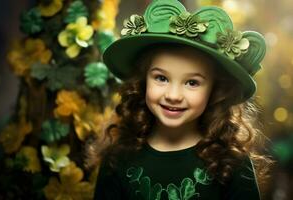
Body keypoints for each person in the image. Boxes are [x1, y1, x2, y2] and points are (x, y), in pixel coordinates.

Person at [89, 0, 272, 199]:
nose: (173, 96)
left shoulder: (233, 163)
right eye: (161, 78)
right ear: (142, 80)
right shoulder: (118, 158)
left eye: (192, 83)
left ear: (215, 90)